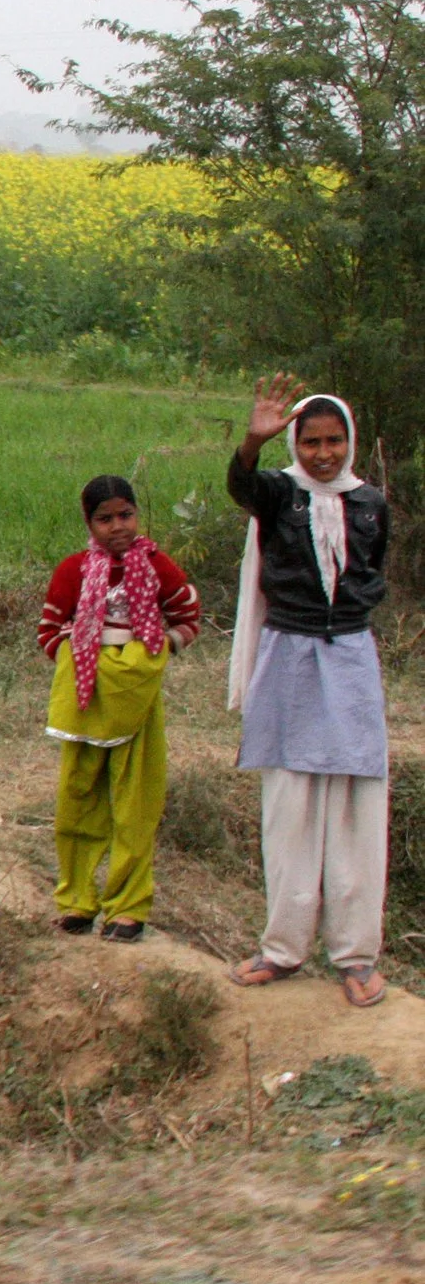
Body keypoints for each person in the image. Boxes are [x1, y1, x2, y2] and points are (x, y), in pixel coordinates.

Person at [224, 377, 393, 1007]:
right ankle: (282, 949)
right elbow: (242, 487)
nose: (324, 453)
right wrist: (251, 442)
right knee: (290, 804)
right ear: (295, 443)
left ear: (350, 441)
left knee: (355, 804)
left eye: (335, 440)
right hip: (289, 654)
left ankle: (355, 957)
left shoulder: (371, 503)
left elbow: (374, 570)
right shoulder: (277, 494)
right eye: (311, 441)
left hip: (349, 658)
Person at [38, 475, 203, 941]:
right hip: (86, 701)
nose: (117, 527)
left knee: (136, 804)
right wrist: (81, 661)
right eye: (104, 518)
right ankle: (76, 900)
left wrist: (150, 654)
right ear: (89, 522)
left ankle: (128, 907)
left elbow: (188, 617)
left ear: (137, 514)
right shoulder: (73, 570)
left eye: (125, 515)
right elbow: (49, 629)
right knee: (78, 798)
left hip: (138, 699)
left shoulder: (157, 566)